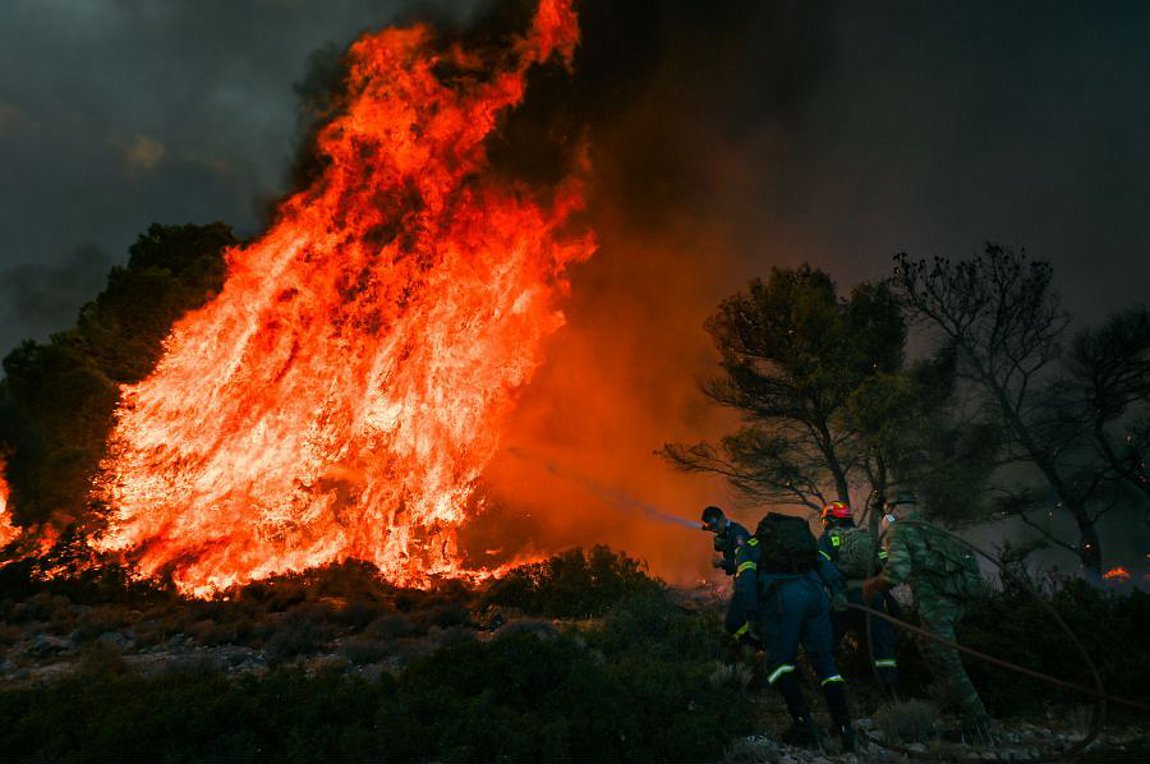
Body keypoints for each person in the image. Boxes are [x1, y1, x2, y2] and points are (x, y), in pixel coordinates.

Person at [861, 492, 993, 741]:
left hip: (937, 603)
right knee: (928, 648)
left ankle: (979, 723)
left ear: (894, 510)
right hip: (958, 599)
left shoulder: (899, 531)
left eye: (887, 512)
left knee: (945, 658)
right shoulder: (931, 529)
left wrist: (872, 586)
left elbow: (896, 572)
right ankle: (951, 707)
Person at [736, 512, 856, 752]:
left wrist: (752, 618)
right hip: (815, 595)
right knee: (826, 664)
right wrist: (837, 590)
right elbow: (824, 563)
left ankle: (804, 725)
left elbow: (746, 580)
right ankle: (845, 729)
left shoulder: (751, 545)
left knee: (778, 664)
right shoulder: (804, 540)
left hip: (783, 600)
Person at [818, 500, 902, 701]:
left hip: (846, 599)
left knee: (827, 644)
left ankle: (828, 693)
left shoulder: (828, 538)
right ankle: (892, 694)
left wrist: (835, 591)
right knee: (882, 645)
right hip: (872, 597)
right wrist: (883, 593)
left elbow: (823, 566)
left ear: (829, 520)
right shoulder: (867, 536)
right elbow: (883, 563)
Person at [701, 505, 758, 644]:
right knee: (735, 622)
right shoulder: (727, 532)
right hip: (743, 582)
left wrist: (721, 563)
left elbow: (744, 564)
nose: (714, 529)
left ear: (722, 518)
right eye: (710, 527)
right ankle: (752, 645)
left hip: (749, 583)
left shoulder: (738, 534)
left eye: (715, 525)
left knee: (733, 622)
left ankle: (755, 645)